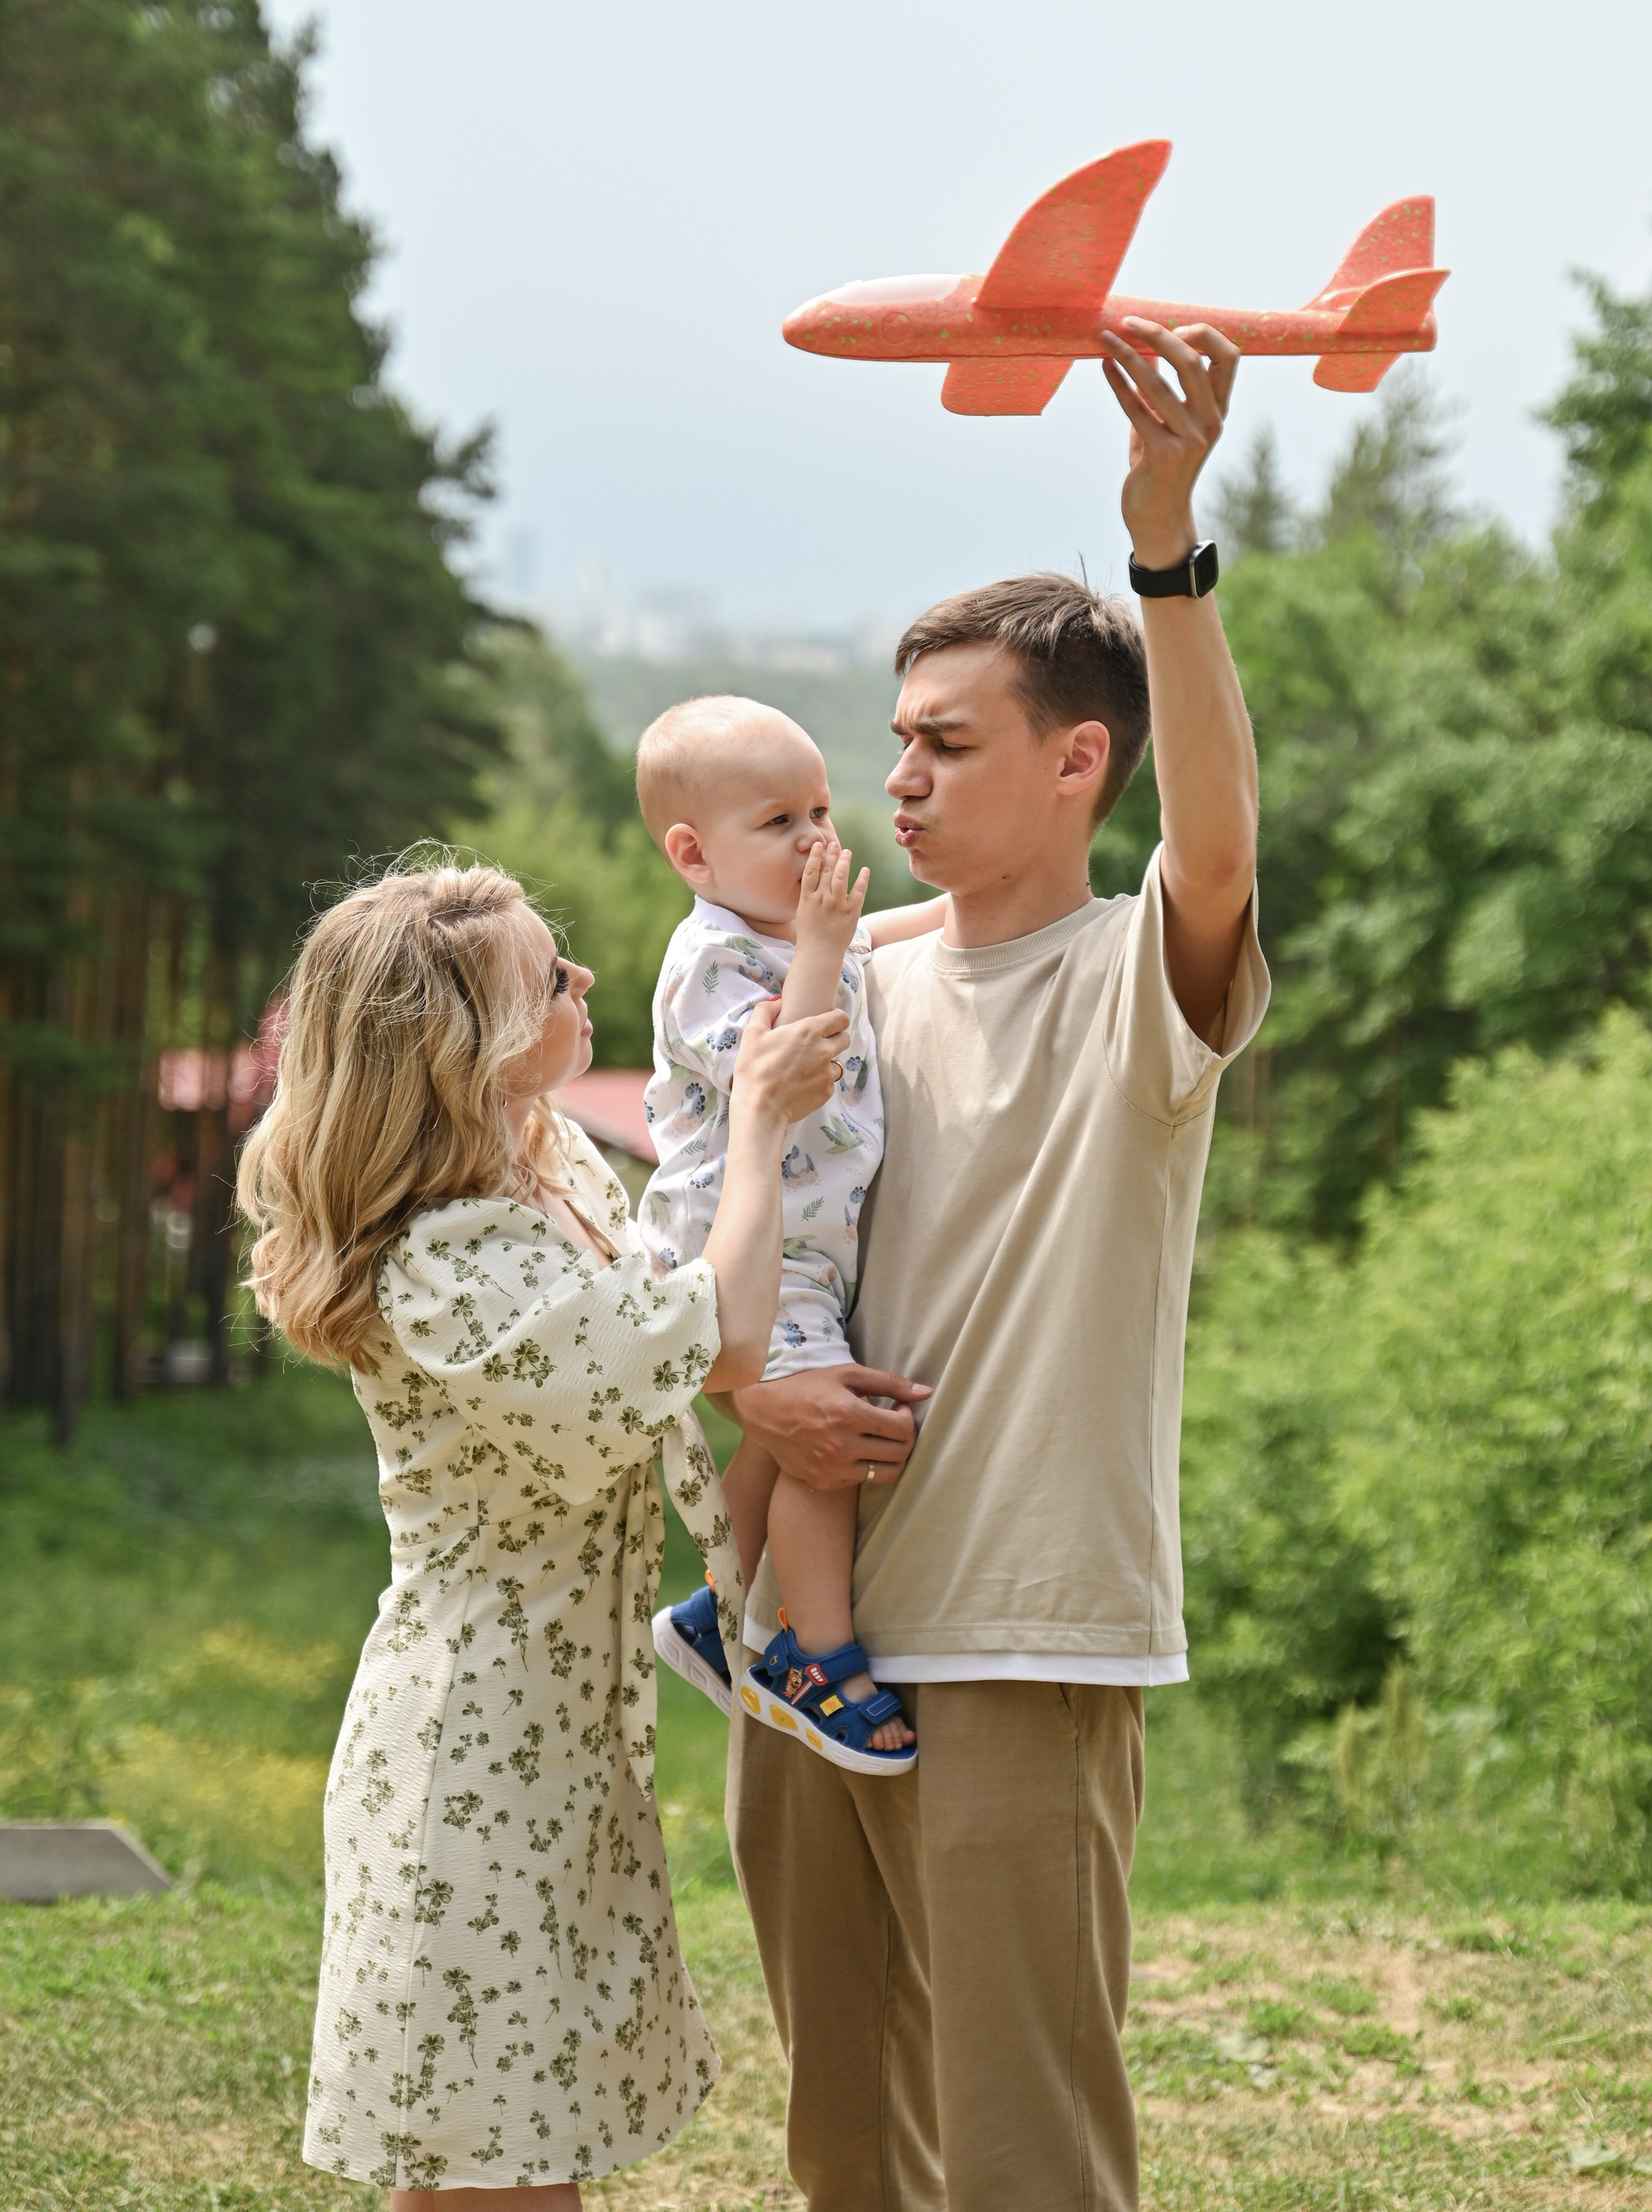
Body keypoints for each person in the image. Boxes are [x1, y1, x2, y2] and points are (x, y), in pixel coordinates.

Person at [723, 321, 1270, 2212]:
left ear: (1077, 760)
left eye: (948, 745)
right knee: (842, 2143)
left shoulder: (1136, 978)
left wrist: (1164, 546)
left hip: (1025, 1631)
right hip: (813, 1646)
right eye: (897, 742)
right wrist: (741, 1383)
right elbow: (721, 1239)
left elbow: (1218, 850)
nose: (899, 782)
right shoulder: (836, 980)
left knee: (1028, 2157)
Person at [235, 855, 849, 2209]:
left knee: (525, 2146)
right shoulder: (448, 1259)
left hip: (554, 1734)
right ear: (466, 1046)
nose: (580, 978)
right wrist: (756, 1127)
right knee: (485, 2167)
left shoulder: (540, 1154)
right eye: (545, 975)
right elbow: (717, 1327)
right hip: (474, 1759)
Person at [633, 695, 942, 1769]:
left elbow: (878, 936)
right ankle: (817, 1659)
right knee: (821, 1449)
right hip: (739, 1240)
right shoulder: (709, 960)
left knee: (788, 1427)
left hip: (807, 1247)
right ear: (694, 853)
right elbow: (790, 1076)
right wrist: (820, 944)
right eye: (779, 823)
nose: (815, 839)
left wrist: (975, 908)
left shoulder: (787, 933)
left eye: (819, 810)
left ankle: (713, 1611)